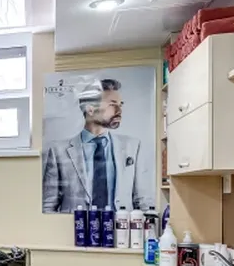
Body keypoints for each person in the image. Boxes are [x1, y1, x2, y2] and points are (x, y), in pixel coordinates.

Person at [42, 78, 154, 213]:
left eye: (121, 104)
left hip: (120, 225)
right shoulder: (58, 151)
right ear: (90, 109)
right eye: (112, 104)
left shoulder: (133, 147)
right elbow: (48, 206)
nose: (119, 110)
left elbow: (144, 202)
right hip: (75, 225)